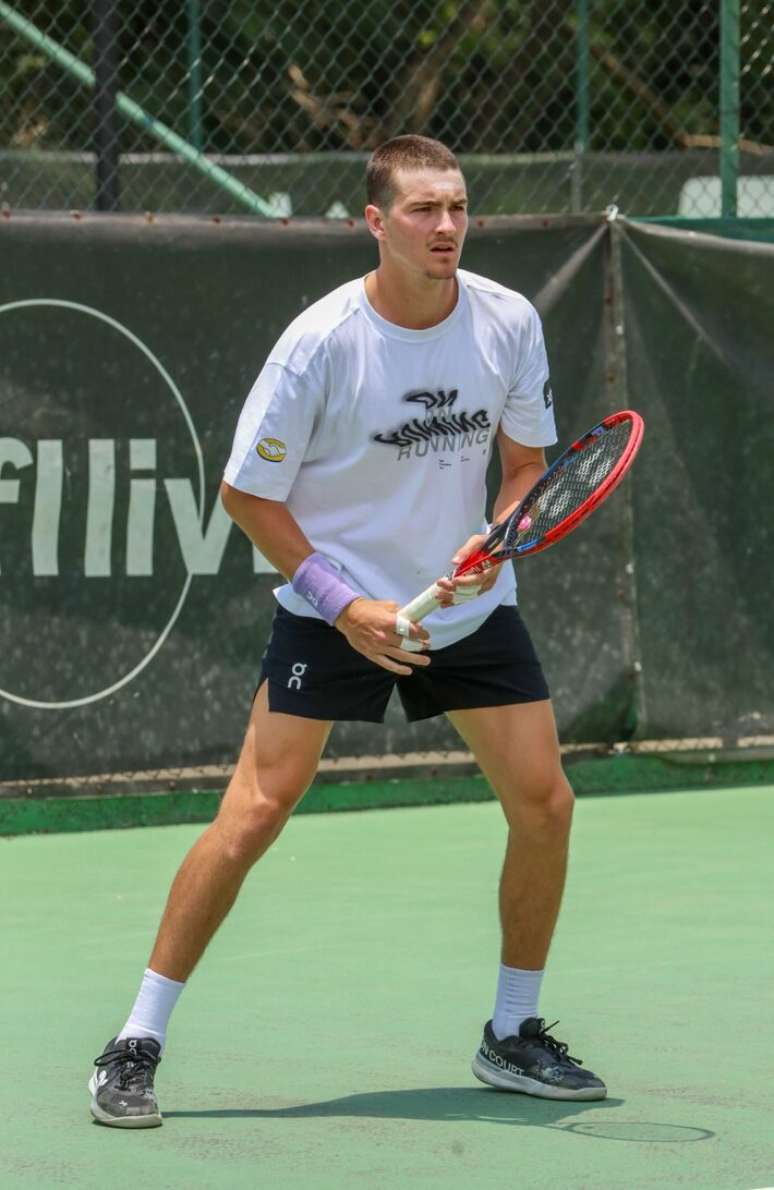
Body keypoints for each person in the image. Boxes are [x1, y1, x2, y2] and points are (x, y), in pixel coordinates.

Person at [88, 134, 606, 1128]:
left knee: (545, 802)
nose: (446, 225)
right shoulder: (320, 343)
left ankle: (514, 1029)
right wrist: (343, 602)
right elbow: (246, 493)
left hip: (466, 606)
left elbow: (528, 466)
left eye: (456, 206)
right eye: (422, 209)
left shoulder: (507, 322)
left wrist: (500, 537)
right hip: (335, 608)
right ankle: (135, 1040)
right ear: (376, 221)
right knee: (254, 812)